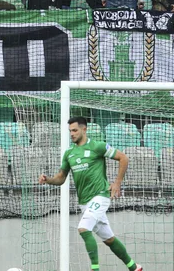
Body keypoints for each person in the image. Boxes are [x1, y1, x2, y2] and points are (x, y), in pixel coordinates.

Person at [38, 116, 142, 271]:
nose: (72, 134)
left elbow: (123, 158)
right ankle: (134, 267)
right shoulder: (69, 153)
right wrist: (49, 180)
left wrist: (117, 183)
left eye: (74, 130)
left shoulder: (97, 146)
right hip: (84, 202)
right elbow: (61, 178)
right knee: (109, 239)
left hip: (100, 196)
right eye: (70, 131)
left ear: (84, 129)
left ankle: (95, 269)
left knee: (83, 228)